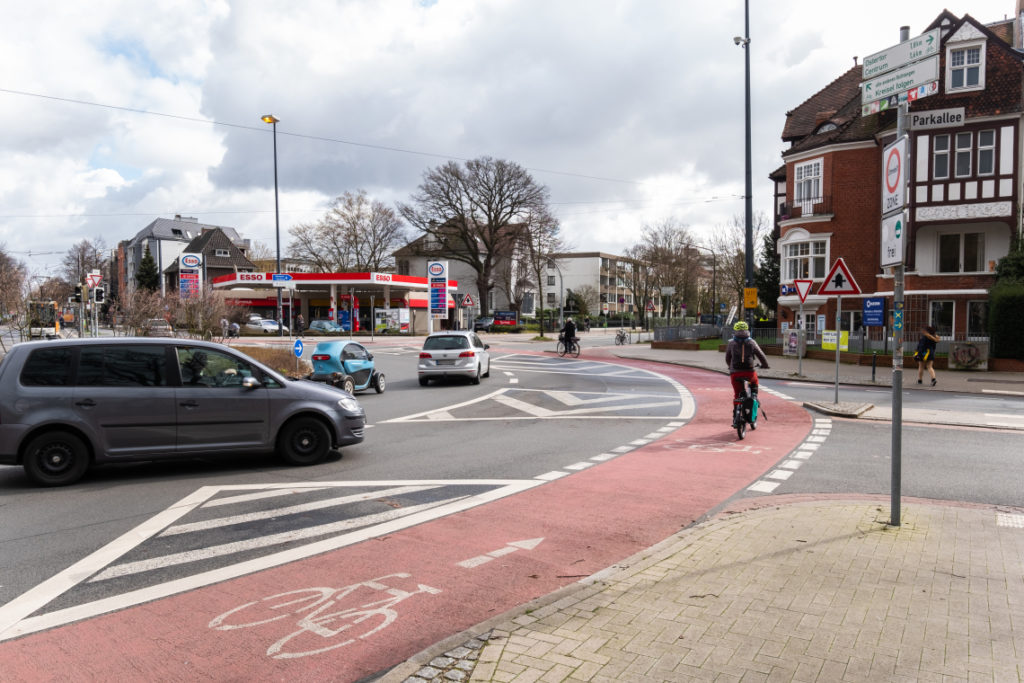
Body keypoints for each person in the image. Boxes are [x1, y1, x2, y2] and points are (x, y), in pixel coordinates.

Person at [725, 321, 769, 424]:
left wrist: (730, 366)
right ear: (747, 330)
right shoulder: (752, 342)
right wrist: (765, 365)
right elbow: (761, 356)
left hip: (735, 373)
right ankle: (754, 395)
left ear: (735, 331)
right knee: (754, 381)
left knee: (737, 395)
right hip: (749, 372)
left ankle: (736, 417)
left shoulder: (731, 343)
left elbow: (727, 357)